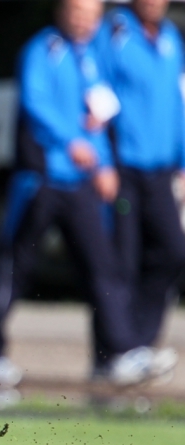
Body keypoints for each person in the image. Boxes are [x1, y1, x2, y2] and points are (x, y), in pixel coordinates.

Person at [0, 0, 162, 388]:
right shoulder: (42, 51)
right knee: (15, 266)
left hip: (80, 184)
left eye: (91, 15)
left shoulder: (92, 57)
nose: (84, 21)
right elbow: (35, 104)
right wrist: (69, 141)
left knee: (102, 266)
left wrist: (105, 165)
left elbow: (100, 119)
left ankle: (120, 352)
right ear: (61, 10)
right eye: (77, 11)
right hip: (41, 179)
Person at [95, 0, 185, 379]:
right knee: (123, 260)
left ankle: (139, 345)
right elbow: (96, 92)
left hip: (160, 169)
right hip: (124, 167)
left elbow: (177, 102)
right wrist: (103, 160)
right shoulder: (114, 32)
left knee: (172, 251)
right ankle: (111, 354)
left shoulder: (170, 38)